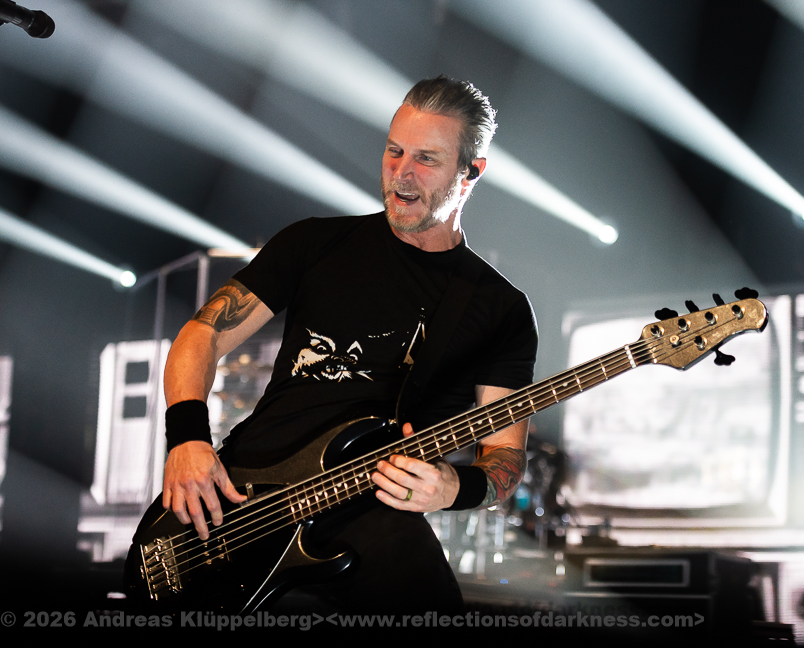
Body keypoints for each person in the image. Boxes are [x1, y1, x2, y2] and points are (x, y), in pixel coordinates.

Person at [160, 75, 538, 611]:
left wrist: (454, 488)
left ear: (471, 171)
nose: (401, 173)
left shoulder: (500, 308)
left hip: (371, 511)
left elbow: (504, 455)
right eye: (394, 151)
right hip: (242, 499)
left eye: (426, 159)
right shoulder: (315, 243)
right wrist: (187, 439)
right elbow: (203, 333)